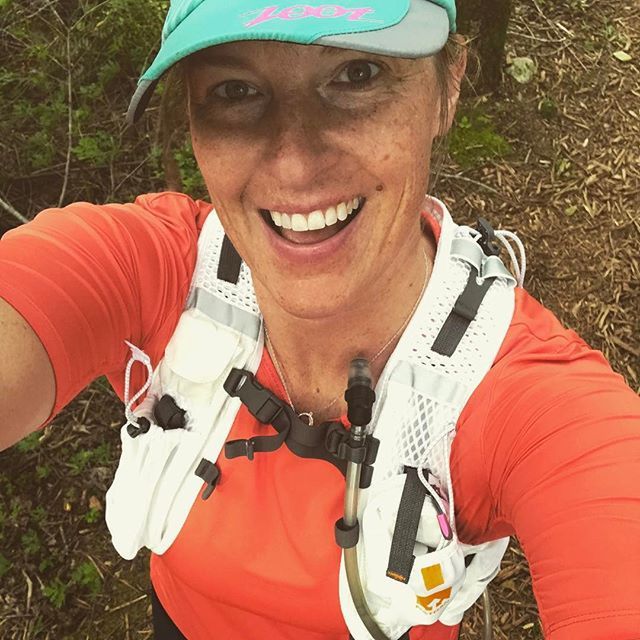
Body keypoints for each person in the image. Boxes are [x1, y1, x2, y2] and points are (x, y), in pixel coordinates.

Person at [1, 1, 639, 639]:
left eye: (358, 74)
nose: (296, 165)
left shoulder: (532, 405)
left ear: (448, 87)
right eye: (236, 90)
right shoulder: (154, 271)